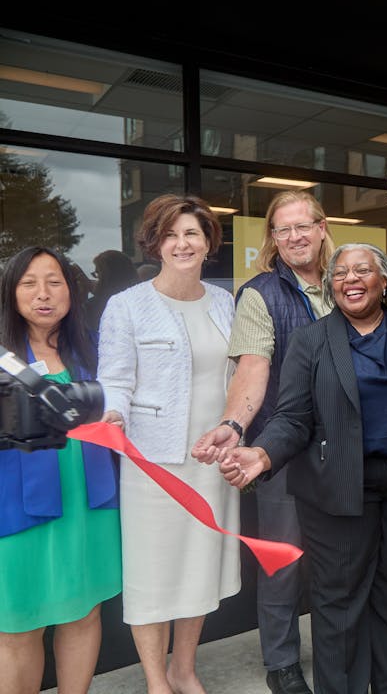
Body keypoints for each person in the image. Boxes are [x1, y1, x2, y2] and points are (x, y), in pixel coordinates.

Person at [213, 243, 387, 694]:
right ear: (331, 286)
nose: (351, 280)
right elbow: (292, 417)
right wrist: (262, 455)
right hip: (337, 492)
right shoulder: (312, 340)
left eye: (363, 271)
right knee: (339, 603)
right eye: (340, 273)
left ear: (385, 281)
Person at [97, 194, 240, 694]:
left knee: (199, 568)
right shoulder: (127, 306)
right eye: (171, 234)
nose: (182, 243)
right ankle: (157, 681)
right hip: (153, 462)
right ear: (155, 242)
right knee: (153, 575)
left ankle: (184, 669)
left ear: (208, 244)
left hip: (212, 458)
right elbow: (114, 377)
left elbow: (242, 374)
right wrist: (112, 409)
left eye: (192, 234)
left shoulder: (226, 302)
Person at [192, 189, 333, 694]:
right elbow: (253, 368)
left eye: (303, 225)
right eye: (283, 229)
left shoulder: (348, 281)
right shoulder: (259, 293)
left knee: (342, 557)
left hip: (346, 449)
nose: (295, 236)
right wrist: (233, 425)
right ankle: (282, 662)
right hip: (282, 447)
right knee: (282, 559)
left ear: (321, 228)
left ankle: (339, 648)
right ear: (273, 239)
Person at [0, 246, 121, 694]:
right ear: (11, 293)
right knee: (17, 623)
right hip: (16, 504)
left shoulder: (95, 347)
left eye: (54, 281)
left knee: (84, 610)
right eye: (29, 283)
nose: (43, 294)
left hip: (88, 498)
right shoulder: (1, 354)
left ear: (72, 290)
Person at [85, 249, 140, 331]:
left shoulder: (94, 308)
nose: (96, 280)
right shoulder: (144, 302)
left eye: (98, 274)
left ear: (107, 277)